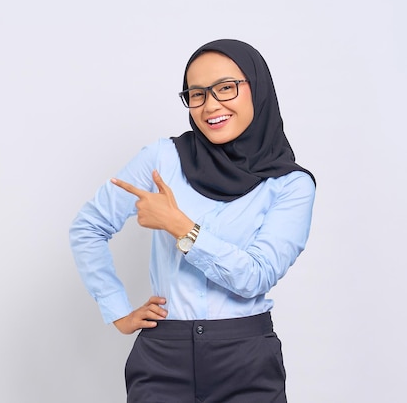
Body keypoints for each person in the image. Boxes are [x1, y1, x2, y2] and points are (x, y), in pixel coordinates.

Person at [69, 39, 315, 403]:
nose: (211, 105)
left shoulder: (291, 185)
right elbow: (88, 227)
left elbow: (256, 276)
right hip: (163, 357)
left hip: (245, 355)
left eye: (226, 88)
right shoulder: (162, 159)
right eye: (196, 94)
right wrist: (117, 309)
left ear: (257, 88)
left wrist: (179, 226)